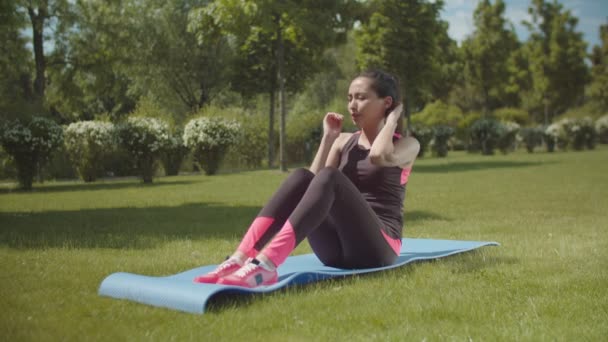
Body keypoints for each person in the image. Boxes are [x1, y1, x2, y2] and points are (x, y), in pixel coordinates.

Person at [194, 69, 420, 288]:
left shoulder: (407, 145)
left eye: (361, 98)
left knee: (330, 176)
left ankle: (266, 264)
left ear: (387, 103)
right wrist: (328, 138)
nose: (352, 105)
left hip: (377, 247)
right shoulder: (342, 141)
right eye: (349, 98)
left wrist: (392, 120)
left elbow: (379, 155)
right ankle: (239, 258)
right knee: (303, 176)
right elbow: (311, 186)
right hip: (334, 250)